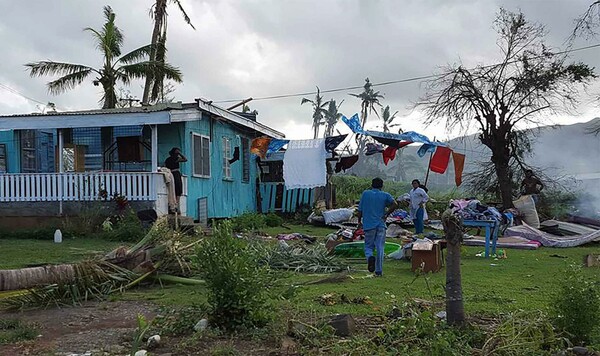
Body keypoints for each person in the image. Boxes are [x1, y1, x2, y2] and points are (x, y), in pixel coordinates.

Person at [357, 177, 398, 276]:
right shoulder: (385, 195)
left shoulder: (365, 194)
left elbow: (360, 211)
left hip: (369, 224)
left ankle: (370, 257)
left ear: (372, 185)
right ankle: (379, 271)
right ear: (382, 186)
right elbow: (395, 204)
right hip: (380, 224)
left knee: (368, 246)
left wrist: (359, 221)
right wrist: (386, 214)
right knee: (380, 247)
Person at [164, 147, 187, 213]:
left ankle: (175, 206)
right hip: (175, 174)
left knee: (175, 189)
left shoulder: (168, 159)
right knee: (178, 189)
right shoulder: (175, 159)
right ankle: (176, 205)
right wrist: (180, 153)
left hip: (171, 173)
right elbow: (185, 159)